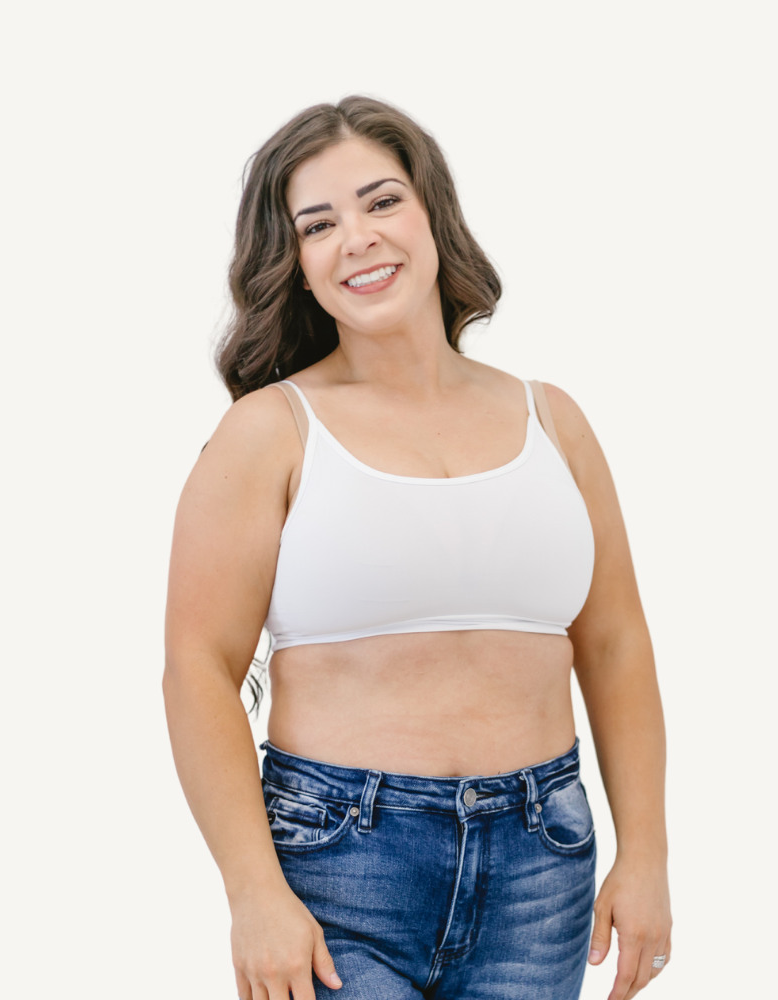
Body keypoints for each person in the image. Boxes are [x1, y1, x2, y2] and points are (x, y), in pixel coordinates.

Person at [163, 95, 671, 1000]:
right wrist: (253, 894)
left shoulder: (554, 420)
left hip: (542, 859)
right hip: (337, 864)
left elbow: (617, 643)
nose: (357, 237)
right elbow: (197, 668)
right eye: (317, 224)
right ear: (298, 267)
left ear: (433, 213)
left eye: (381, 201)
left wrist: (647, 856)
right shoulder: (269, 432)